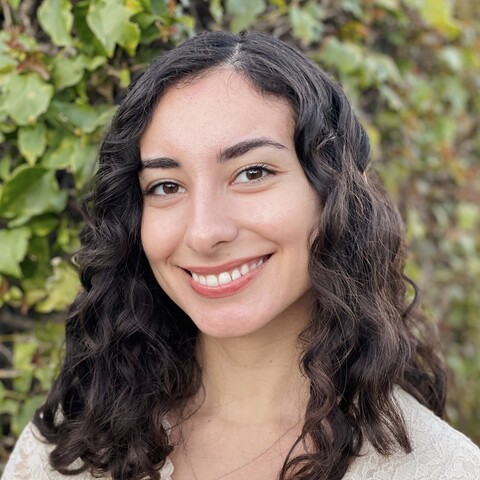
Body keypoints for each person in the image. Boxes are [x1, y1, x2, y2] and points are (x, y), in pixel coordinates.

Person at [3, 31, 480, 480]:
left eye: (251, 173)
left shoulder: (441, 468)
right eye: (166, 186)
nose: (206, 231)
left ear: (334, 195)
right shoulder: (69, 449)